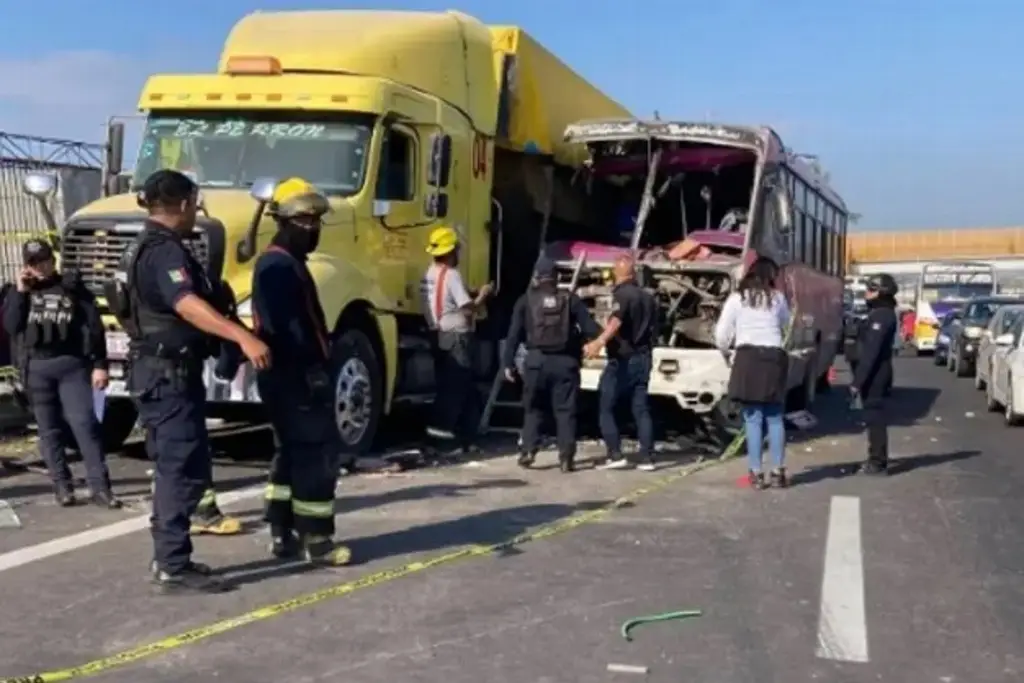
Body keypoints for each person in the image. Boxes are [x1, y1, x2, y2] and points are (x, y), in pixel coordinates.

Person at [112, 169, 271, 594]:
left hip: (163, 373)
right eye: (195, 202)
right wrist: (241, 335)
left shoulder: (143, 247)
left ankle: (174, 556)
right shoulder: (164, 252)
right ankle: (171, 566)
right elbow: (186, 304)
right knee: (177, 467)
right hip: (166, 376)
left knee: (187, 463)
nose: (197, 210)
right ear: (182, 204)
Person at [251, 177, 351, 565]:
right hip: (293, 378)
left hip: (287, 376)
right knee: (315, 456)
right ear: (286, 221)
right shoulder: (278, 266)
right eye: (307, 223)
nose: (314, 231)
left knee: (290, 453)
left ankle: (282, 531)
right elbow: (286, 328)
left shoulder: (285, 263)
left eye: (317, 223)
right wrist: (311, 371)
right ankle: (318, 540)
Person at [2, 238, 121, 508]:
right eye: (34, 263)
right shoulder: (18, 292)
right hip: (37, 368)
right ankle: (62, 486)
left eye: (44, 260)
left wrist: (100, 364)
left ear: (52, 260)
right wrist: (21, 291)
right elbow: (11, 326)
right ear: (26, 265)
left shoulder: (72, 288)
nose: (40, 267)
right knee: (48, 430)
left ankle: (100, 487)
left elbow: (94, 327)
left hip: (72, 366)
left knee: (85, 425)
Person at [500, 257, 601, 473]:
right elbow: (591, 330)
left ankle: (528, 451)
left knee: (533, 408)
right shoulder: (570, 299)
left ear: (537, 277)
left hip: (536, 362)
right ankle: (566, 459)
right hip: (566, 363)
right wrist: (583, 341)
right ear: (557, 278)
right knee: (565, 411)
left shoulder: (525, 300)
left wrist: (508, 363)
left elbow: (513, 335)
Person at [713, 256, 791, 489]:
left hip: (747, 358)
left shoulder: (737, 299)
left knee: (752, 418)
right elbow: (786, 324)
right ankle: (778, 471)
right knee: (775, 418)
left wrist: (726, 351)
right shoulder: (778, 298)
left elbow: (722, 333)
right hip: (773, 359)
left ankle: (755, 473)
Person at [420, 226, 493, 457]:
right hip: (456, 338)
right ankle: (440, 442)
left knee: (458, 388)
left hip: (437, 334)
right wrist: (483, 294)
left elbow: (445, 297)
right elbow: (469, 309)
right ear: (451, 251)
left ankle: (468, 438)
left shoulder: (429, 274)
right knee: (454, 390)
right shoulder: (452, 275)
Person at [583, 254, 658, 471]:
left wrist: (599, 342)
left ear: (618, 272)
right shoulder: (648, 298)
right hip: (644, 357)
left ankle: (615, 454)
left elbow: (616, 320)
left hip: (622, 360)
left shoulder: (622, 295)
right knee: (641, 408)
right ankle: (647, 457)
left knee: (606, 406)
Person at [851, 273, 899, 476]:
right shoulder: (878, 313)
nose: (866, 293)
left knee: (875, 417)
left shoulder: (882, 316)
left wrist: (858, 381)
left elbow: (872, 350)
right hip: (876, 369)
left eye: (871, 289)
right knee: (872, 418)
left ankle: (878, 461)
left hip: (876, 372)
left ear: (881, 292)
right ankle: (875, 457)